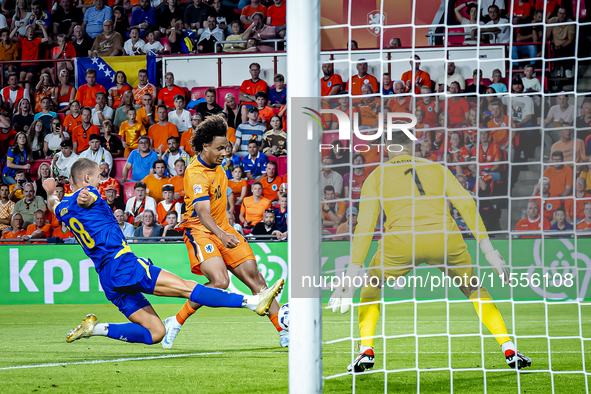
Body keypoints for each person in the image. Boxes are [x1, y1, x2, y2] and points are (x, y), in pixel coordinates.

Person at [328, 131, 530, 373]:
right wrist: (488, 249)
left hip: (401, 242)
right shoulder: (437, 168)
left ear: (384, 148)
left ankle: (366, 351)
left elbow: (365, 226)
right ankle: (508, 347)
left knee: (372, 284)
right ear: (413, 147)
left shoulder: (376, 176)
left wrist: (352, 272)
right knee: (474, 288)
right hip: (444, 239)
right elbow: (466, 203)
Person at [42, 159, 283, 346]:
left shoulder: (63, 209)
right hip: (123, 265)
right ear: (86, 178)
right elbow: (86, 196)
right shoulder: (90, 194)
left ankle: (95, 329)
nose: (99, 182)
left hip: (107, 278)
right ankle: (252, 302)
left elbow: (53, 203)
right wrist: (84, 195)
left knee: (156, 333)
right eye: (96, 178)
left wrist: (50, 189)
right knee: (188, 288)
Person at [161, 114, 287, 349]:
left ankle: (283, 331)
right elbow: (202, 212)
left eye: (227, 147)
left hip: (224, 228)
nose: (225, 152)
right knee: (219, 281)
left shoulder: (220, 166)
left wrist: (227, 229)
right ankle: (175, 321)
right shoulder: (195, 173)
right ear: (205, 146)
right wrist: (222, 235)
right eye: (220, 148)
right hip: (201, 230)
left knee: (257, 279)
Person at [12, 23, 49, 93]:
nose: (30, 32)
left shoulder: (37, 40)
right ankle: (20, 95)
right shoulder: (23, 40)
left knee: (27, 77)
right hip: (24, 64)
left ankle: (27, 95)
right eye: (29, 30)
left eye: (32, 30)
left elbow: (46, 38)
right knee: (21, 77)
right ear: (26, 33)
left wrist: (42, 27)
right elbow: (10, 37)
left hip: (33, 64)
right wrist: (17, 27)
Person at [547, 6, 576, 77]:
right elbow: (547, 37)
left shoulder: (571, 23)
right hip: (554, 45)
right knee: (545, 49)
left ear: (566, 14)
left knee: (571, 48)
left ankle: (568, 70)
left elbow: (570, 39)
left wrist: (560, 46)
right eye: (560, 13)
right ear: (557, 14)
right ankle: (555, 71)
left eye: (564, 13)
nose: (562, 15)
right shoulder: (552, 21)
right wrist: (550, 45)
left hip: (565, 45)